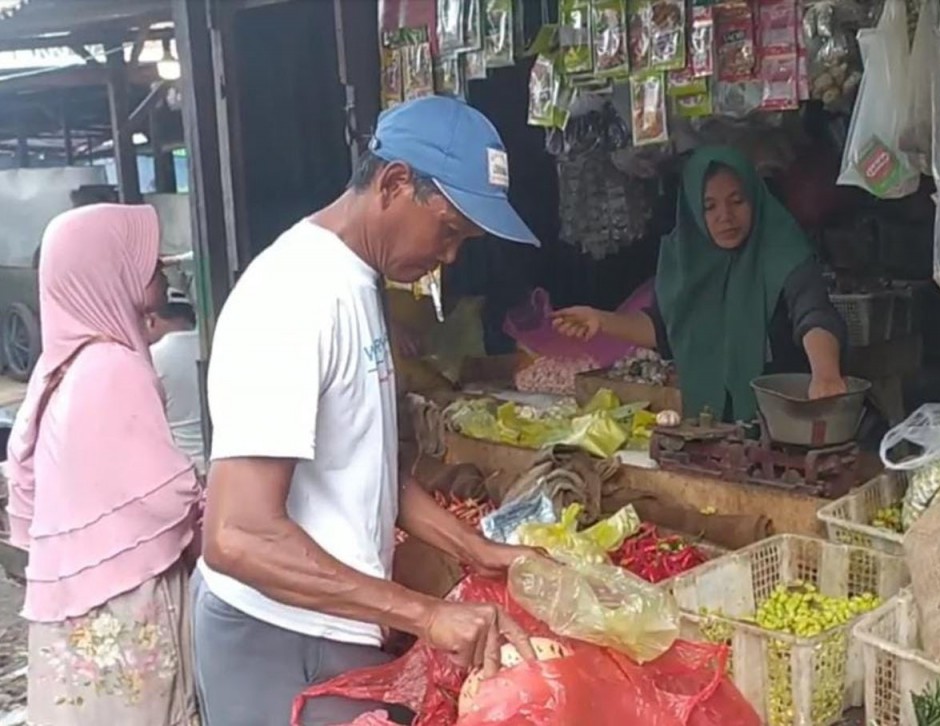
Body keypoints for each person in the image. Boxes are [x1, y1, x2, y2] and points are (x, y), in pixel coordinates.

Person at [194, 96, 543, 725]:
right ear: (395, 183)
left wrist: (474, 548)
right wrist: (425, 613)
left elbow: (361, 457)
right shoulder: (295, 296)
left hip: (334, 624)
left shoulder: (355, 284)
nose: (451, 255)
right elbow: (236, 535)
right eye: (449, 229)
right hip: (278, 634)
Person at [5, 204, 202, 725]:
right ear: (105, 269)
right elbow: (167, 496)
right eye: (145, 263)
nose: (158, 269)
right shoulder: (114, 366)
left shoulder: (56, 370)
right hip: (127, 600)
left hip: (72, 610)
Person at [552, 145, 849, 423]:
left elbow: (813, 313)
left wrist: (825, 374)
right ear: (694, 210)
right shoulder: (685, 259)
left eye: (737, 201)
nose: (726, 217)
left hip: (787, 417)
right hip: (709, 422)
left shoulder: (783, 248)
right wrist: (600, 319)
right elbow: (664, 328)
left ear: (755, 198)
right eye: (709, 206)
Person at [146, 290, 205, 476]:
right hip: (222, 464)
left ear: (151, 320)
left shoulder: (151, 358)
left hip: (181, 469)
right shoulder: (213, 345)